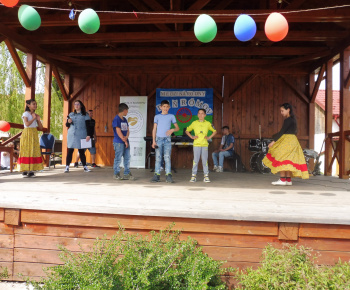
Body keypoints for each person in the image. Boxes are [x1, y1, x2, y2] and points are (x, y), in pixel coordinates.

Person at [263, 103, 309, 185]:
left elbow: (282, 132)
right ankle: (288, 180)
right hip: (293, 141)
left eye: (282, 111)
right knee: (288, 160)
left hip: (287, 140)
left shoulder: (287, 120)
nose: (281, 113)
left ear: (288, 110)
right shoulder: (293, 119)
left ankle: (282, 180)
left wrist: (273, 142)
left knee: (281, 158)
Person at [151, 100, 179, 183]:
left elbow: (177, 128)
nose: (165, 108)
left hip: (167, 139)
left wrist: (172, 129)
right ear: (161, 107)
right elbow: (154, 129)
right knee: (158, 158)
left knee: (167, 158)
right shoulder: (157, 116)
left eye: (167, 107)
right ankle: (157, 175)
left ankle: (168, 175)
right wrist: (153, 141)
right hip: (159, 139)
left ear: (169, 107)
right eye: (164, 106)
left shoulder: (171, 116)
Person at [185, 109, 217, 182]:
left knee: (204, 161)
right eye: (199, 113)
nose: (200, 115)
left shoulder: (208, 123)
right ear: (197, 115)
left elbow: (215, 131)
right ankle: (193, 176)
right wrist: (192, 137)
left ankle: (206, 176)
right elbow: (187, 130)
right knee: (195, 160)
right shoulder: (194, 123)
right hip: (196, 144)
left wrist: (209, 137)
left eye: (202, 113)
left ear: (205, 115)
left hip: (205, 144)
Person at [17, 99, 44, 177]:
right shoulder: (26, 113)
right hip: (27, 133)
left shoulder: (35, 115)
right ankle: (25, 169)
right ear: (28, 105)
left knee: (33, 150)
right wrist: (33, 118)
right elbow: (27, 124)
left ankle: (31, 170)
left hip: (34, 133)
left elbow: (41, 128)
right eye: (33, 104)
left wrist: (38, 120)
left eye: (36, 104)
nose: (35, 105)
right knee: (26, 150)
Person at [65, 100, 93, 173]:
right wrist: (68, 122)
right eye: (75, 104)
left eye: (78, 104)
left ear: (81, 106)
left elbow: (88, 126)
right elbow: (67, 125)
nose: (76, 105)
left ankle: (85, 167)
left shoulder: (85, 115)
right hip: (71, 135)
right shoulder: (71, 114)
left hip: (81, 134)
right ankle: (67, 167)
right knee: (70, 151)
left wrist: (89, 135)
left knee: (81, 151)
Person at [112, 103, 135, 180]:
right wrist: (124, 139)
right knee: (118, 158)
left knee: (127, 157)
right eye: (127, 110)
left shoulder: (124, 119)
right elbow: (118, 131)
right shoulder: (116, 119)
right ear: (124, 110)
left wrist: (126, 137)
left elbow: (128, 130)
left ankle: (127, 173)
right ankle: (116, 173)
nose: (127, 112)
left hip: (125, 141)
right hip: (118, 142)